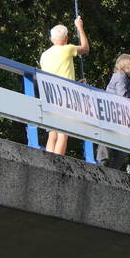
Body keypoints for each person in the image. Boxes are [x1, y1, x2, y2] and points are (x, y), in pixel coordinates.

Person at [39, 16, 89, 155]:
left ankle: (48, 159)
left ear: (51, 39)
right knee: (63, 132)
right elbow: (85, 48)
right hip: (65, 95)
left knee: (52, 133)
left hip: (49, 94)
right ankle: (57, 160)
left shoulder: (44, 55)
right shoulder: (67, 49)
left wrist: (75, 83)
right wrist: (80, 27)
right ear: (66, 38)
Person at [96, 53, 130, 171]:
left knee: (121, 151)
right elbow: (122, 95)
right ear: (125, 64)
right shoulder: (120, 76)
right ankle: (102, 169)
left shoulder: (127, 78)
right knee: (107, 148)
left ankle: (110, 171)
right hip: (112, 115)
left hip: (119, 118)